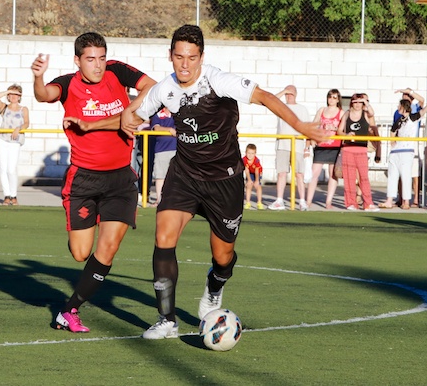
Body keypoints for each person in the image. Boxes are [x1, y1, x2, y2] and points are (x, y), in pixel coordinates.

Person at [120, 24, 327, 339]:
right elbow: (136, 113)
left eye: (191, 57)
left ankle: (214, 288)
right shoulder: (165, 89)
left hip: (225, 181)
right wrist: (127, 115)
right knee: (163, 237)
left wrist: (300, 125)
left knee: (223, 256)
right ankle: (167, 319)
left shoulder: (219, 81)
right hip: (185, 175)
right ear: (170, 56)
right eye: (179, 57)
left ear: (201, 57)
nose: (185, 64)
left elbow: (264, 97)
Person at [31, 32, 156, 333]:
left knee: (109, 248)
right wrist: (38, 77)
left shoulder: (116, 70)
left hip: (121, 179)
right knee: (80, 253)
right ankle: (82, 226)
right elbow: (43, 95)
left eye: (101, 58)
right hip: (84, 180)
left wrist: (132, 109)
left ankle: (69, 310)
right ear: (78, 61)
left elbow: (153, 87)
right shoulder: (67, 84)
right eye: (90, 59)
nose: (98, 65)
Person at [378, 95, 427, 209]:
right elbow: (392, 131)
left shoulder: (412, 118)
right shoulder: (399, 120)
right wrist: (392, 141)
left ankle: (406, 201)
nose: (398, 107)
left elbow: (423, 111)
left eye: (400, 105)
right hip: (395, 151)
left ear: (404, 107)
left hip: (407, 150)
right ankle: (389, 200)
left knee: (406, 175)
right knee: (393, 176)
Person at [268, 85, 310, 211]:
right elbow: (271, 101)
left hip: (297, 145)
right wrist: (283, 91)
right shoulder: (281, 107)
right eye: (287, 94)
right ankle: (279, 200)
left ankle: (302, 201)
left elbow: (307, 129)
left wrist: (307, 148)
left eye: (291, 93)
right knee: (281, 173)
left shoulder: (302, 109)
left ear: (296, 94)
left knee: (299, 174)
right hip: (283, 144)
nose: (288, 96)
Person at [337, 93, 380, 211]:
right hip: (348, 148)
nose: (357, 105)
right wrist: (346, 134)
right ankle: (351, 203)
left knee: (364, 177)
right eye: (355, 102)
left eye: (359, 102)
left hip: (361, 149)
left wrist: (365, 103)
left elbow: (372, 113)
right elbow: (339, 131)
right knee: (349, 178)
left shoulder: (365, 114)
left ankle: (368, 203)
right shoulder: (346, 114)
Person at [305, 89, 344, 209]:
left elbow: (343, 129)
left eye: (334, 97)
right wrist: (311, 139)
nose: (331, 100)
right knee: (314, 173)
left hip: (335, 145)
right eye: (330, 97)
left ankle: (328, 201)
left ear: (338, 100)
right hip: (321, 145)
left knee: (332, 174)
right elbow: (314, 124)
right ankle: (308, 200)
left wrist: (334, 127)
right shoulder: (322, 110)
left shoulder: (341, 112)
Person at [0, 84, 30, 206]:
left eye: (17, 94)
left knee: (11, 169)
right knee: (3, 168)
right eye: (12, 94)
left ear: (20, 96)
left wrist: (19, 128)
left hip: (15, 140)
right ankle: (6, 195)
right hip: (2, 140)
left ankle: (14, 195)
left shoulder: (23, 108)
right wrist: (7, 91)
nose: (14, 97)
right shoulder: (4, 107)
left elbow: (27, 123)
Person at [393, 88, 425, 207]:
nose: (405, 98)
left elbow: (422, 100)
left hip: (412, 143)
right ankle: (401, 198)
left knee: (414, 173)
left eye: (407, 96)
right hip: (400, 144)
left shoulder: (415, 108)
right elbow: (395, 128)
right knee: (400, 172)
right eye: (403, 96)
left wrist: (409, 91)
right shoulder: (398, 112)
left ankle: (416, 198)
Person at [150, 107, 176, 206]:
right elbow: (156, 128)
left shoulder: (177, 112)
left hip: (177, 149)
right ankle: (159, 199)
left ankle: (175, 199)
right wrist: (170, 130)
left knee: (177, 176)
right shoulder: (158, 115)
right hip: (162, 150)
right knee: (160, 176)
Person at [243, 143, 264, 209]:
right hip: (249, 173)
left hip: (257, 173)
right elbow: (246, 170)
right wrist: (249, 180)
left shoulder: (256, 160)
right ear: (246, 152)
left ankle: (259, 202)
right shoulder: (244, 160)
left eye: (252, 153)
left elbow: (257, 171)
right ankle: (248, 202)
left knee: (258, 186)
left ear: (255, 153)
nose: (250, 155)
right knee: (249, 186)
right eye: (249, 153)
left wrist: (257, 180)